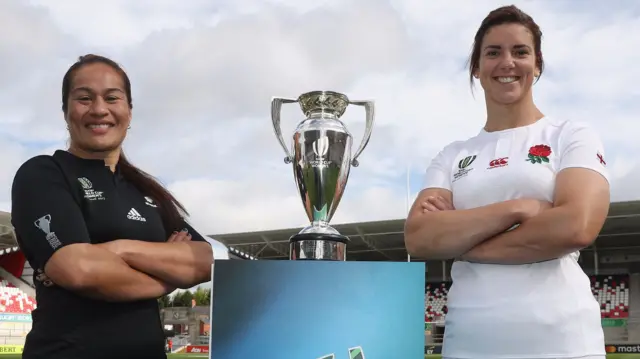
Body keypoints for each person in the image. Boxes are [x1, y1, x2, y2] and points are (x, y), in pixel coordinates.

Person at [404, 5, 610, 359]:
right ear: (477, 68)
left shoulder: (571, 135)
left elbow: (576, 226)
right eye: (493, 52)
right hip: (469, 344)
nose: (507, 62)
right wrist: (520, 208)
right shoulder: (452, 155)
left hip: (563, 343)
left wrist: (464, 243)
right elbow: (419, 237)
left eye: (520, 51)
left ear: (538, 65)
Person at [11, 54, 215, 359]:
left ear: (129, 112)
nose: (99, 109)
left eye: (112, 98)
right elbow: (78, 269)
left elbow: (202, 259)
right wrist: (168, 278)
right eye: (84, 98)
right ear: (66, 111)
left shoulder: (147, 191)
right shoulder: (44, 174)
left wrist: (118, 249)